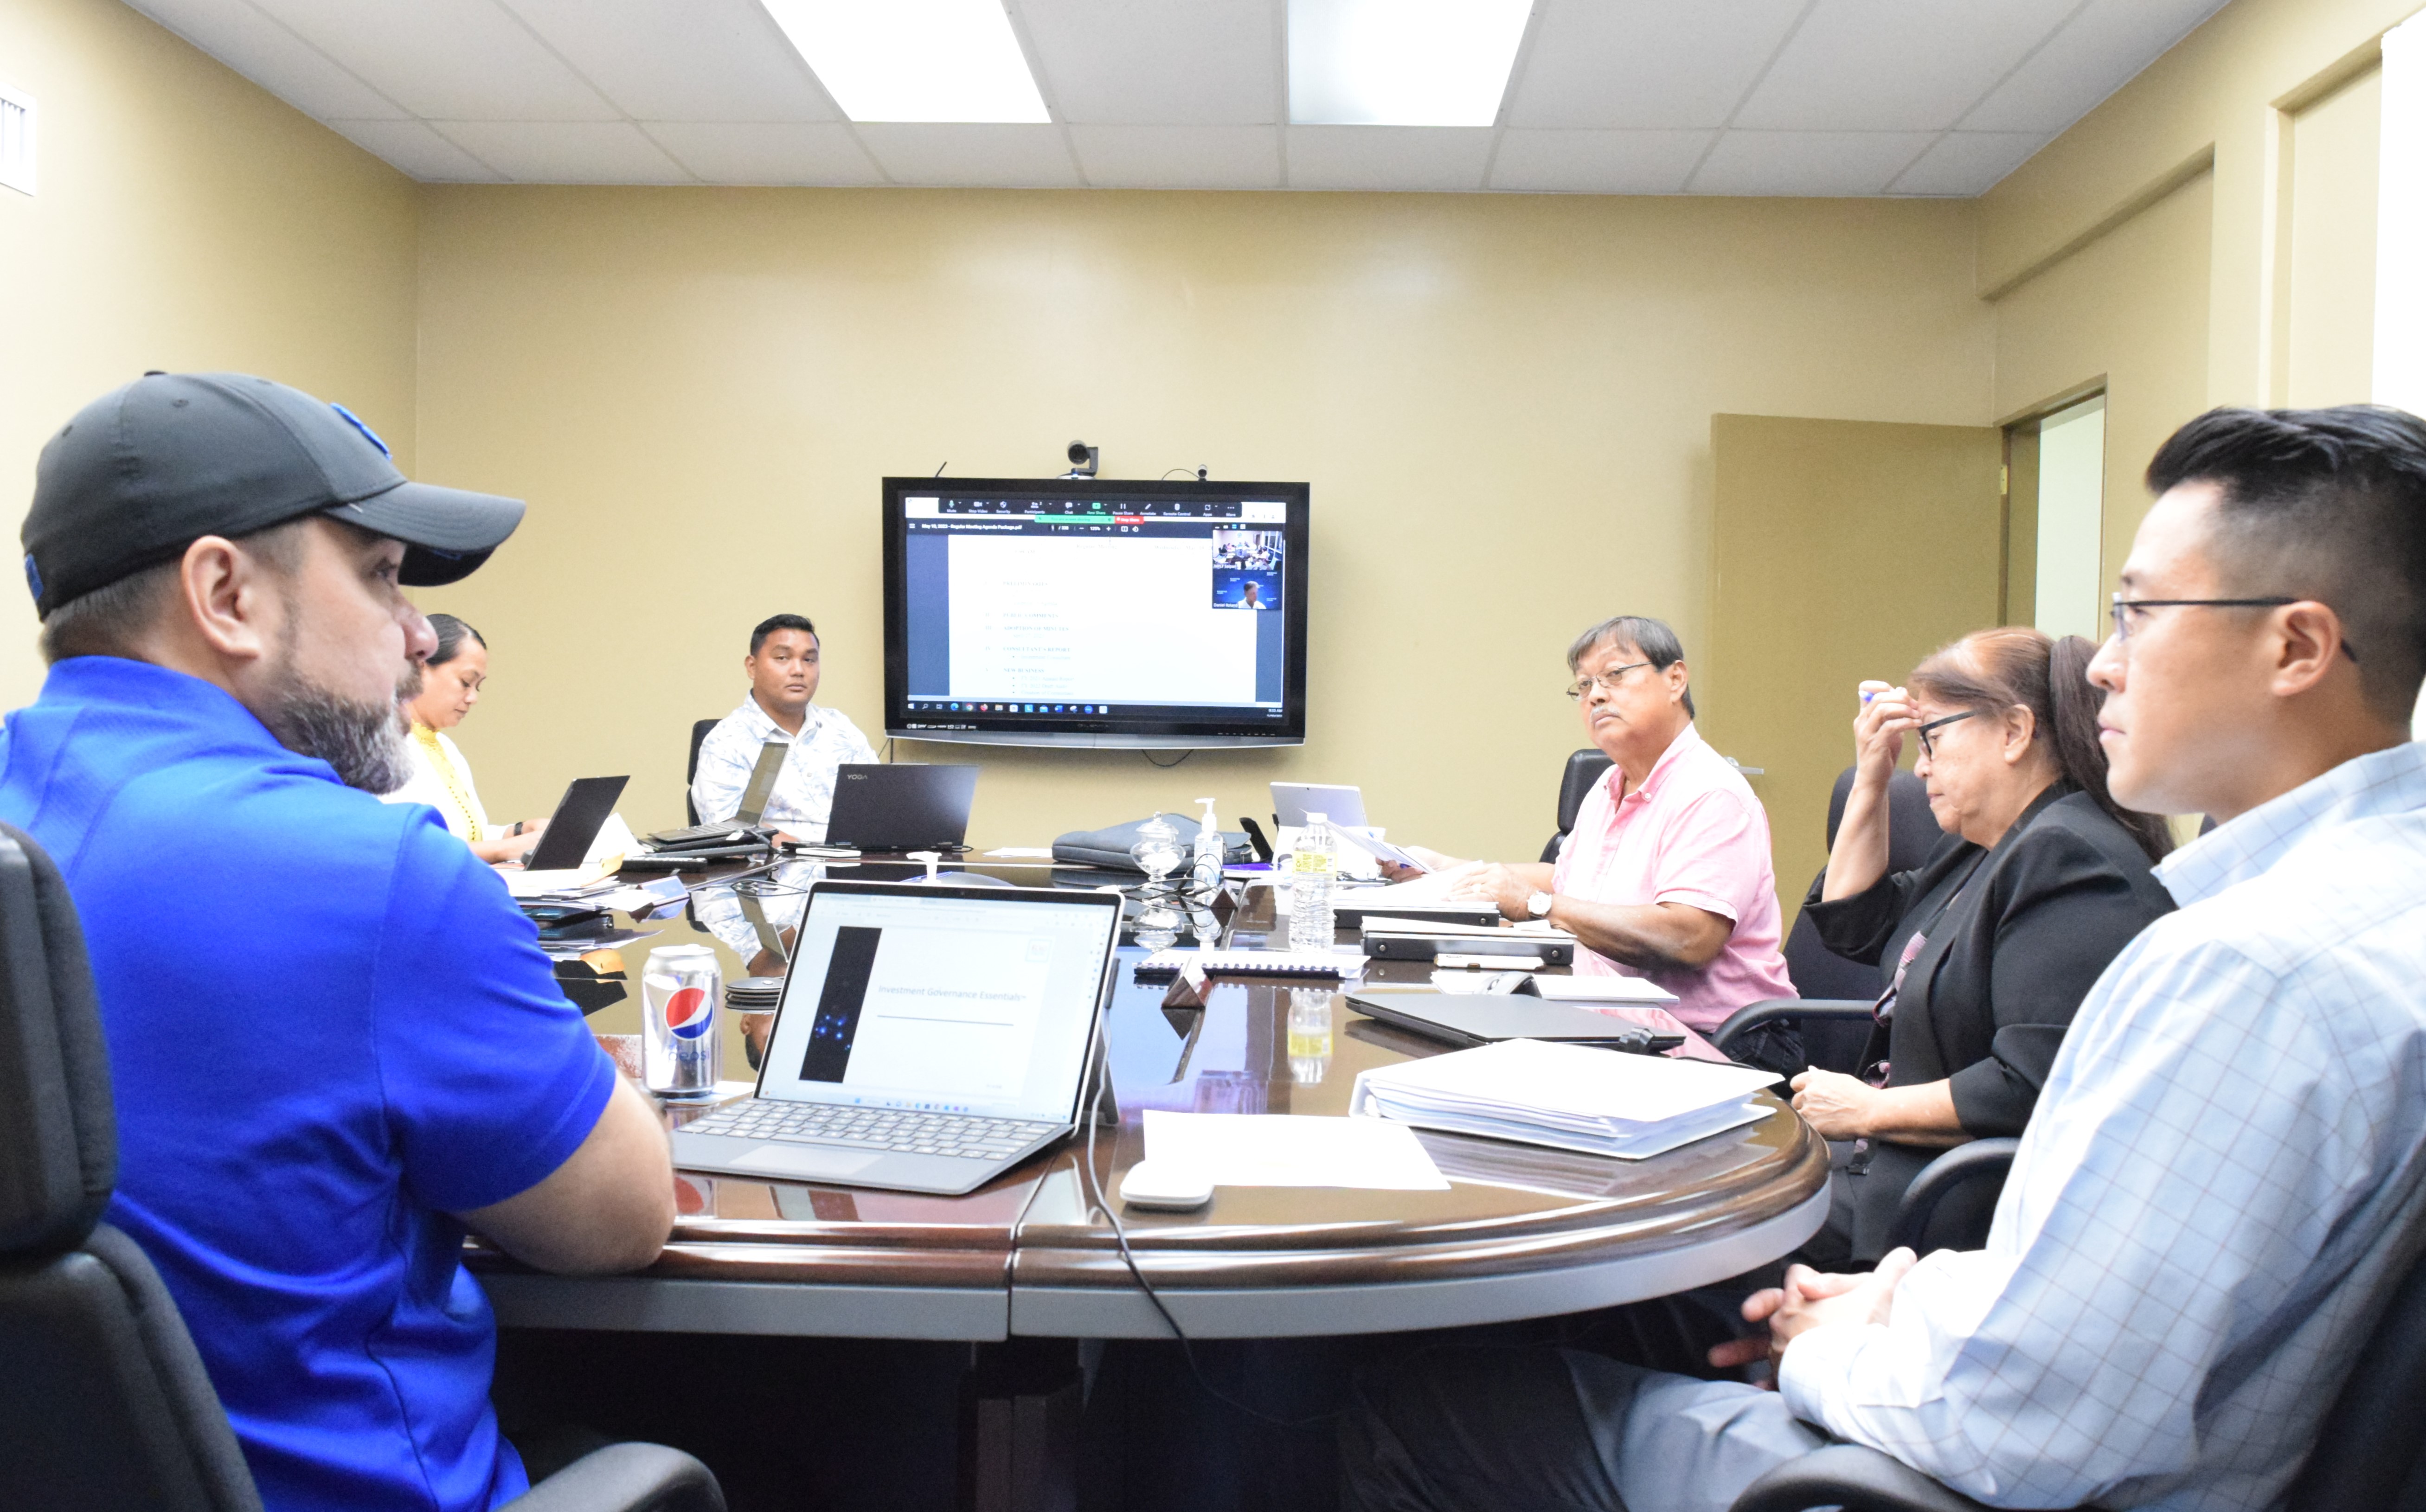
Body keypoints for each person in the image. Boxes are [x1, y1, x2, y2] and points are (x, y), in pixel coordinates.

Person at [1338, 404, 2426, 1512]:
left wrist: (1820, 1345)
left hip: (1969, 1478)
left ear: (2296, 646)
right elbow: (2116, 1281)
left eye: (2137, 615)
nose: (2101, 666)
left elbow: (2026, 1423)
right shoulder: (2368, 905)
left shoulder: (2246, 973)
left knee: (1401, 1398)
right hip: (1993, 1360)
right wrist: (1904, 1298)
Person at [3, 372, 676, 1512]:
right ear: (226, 593)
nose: (416, 636)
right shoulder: (383, 877)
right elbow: (620, 1217)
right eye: (380, 576)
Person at [1787, 628, 2175, 1266]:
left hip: (1939, 1202)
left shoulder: (2067, 857)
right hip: (1887, 1162)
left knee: (1700, 1237)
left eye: (1932, 739)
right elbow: (1855, 923)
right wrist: (1869, 779)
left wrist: (1868, 1110)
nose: (1920, 766)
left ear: (2014, 732)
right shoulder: (1982, 847)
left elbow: (2026, 1084)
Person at [1399, 615, 1798, 1070]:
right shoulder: (1610, 784)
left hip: (1723, 1042)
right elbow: (1568, 883)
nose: (1596, 695)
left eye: (1615, 674)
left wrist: (1535, 905)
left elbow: (1688, 938)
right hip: (1625, 1014)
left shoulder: (1711, 792)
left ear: (1675, 679)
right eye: (1585, 684)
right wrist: (1448, 870)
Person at [691, 612, 876, 843]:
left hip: (857, 860)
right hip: (779, 865)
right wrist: (816, 855)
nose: (799, 670)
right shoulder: (727, 741)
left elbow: (879, 802)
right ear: (752, 667)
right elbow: (729, 829)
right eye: (782, 658)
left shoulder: (840, 728)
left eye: (809, 660)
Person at [381, 612, 549, 864]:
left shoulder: (446, 747)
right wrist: (504, 849)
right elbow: (407, 849)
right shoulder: (381, 748)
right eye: (466, 682)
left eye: (477, 687)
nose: (473, 698)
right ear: (419, 667)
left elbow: (467, 836)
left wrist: (519, 832)